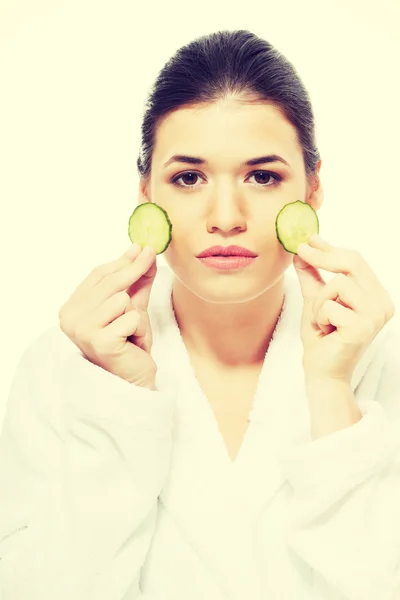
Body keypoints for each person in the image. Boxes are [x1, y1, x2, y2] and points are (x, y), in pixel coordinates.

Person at [0, 29, 399, 600]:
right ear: (147, 194)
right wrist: (119, 399)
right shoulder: (63, 364)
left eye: (263, 177)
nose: (226, 216)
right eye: (188, 178)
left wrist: (332, 387)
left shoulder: (379, 356)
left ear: (312, 191)